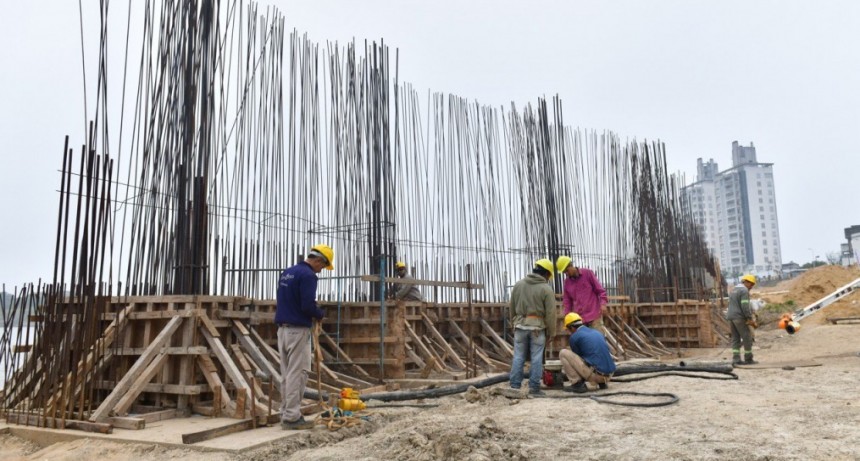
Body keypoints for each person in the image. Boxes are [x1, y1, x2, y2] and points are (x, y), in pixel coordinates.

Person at [275, 244, 334, 430]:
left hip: (283, 330)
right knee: (297, 374)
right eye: (322, 267)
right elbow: (307, 306)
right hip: (297, 330)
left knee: (286, 373)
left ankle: (285, 412)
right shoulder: (308, 276)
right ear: (318, 261)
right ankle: (292, 417)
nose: (321, 270)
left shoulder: (288, 272)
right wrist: (320, 313)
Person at [508, 259, 557, 396]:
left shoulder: (518, 285)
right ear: (546, 273)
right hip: (537, 328)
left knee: (518, 357)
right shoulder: (546, 289)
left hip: (520, 326)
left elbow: (511, 307)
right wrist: (552, 333)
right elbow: (551, 314)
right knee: (536, 358)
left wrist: (513, 323)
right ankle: (534, 388)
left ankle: (514, 386)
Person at [559, 312, 616, 393]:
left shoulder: (574, 337)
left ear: (571, 327)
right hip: (609, 375)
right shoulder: (596, 332)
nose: (569, 332)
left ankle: (577, 385)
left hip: (596, 375)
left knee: (563, 353)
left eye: (568, 329)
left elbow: (578, 360)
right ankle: (602, 384)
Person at [556, 256, 608, 335]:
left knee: (598, 339)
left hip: (594, 316)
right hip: (580, 319)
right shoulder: (567, 282)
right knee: (584, 343)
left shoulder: (588, 274)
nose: (566, 274)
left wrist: (603, 303)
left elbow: (600, 291)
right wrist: (567, 316)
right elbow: (567, 301)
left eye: (567, 271)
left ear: (571, 265)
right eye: (564, 272)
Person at [727, 274, 758, 365]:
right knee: (747, 337)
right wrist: (749, 318)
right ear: (746, 282)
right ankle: (748, 359)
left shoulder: (734, 290)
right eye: (751, 284)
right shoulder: (744, 290)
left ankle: (736, 359)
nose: (752, 287)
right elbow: (745, 306)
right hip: (739, 317)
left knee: (735, 338)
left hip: (730, 316)